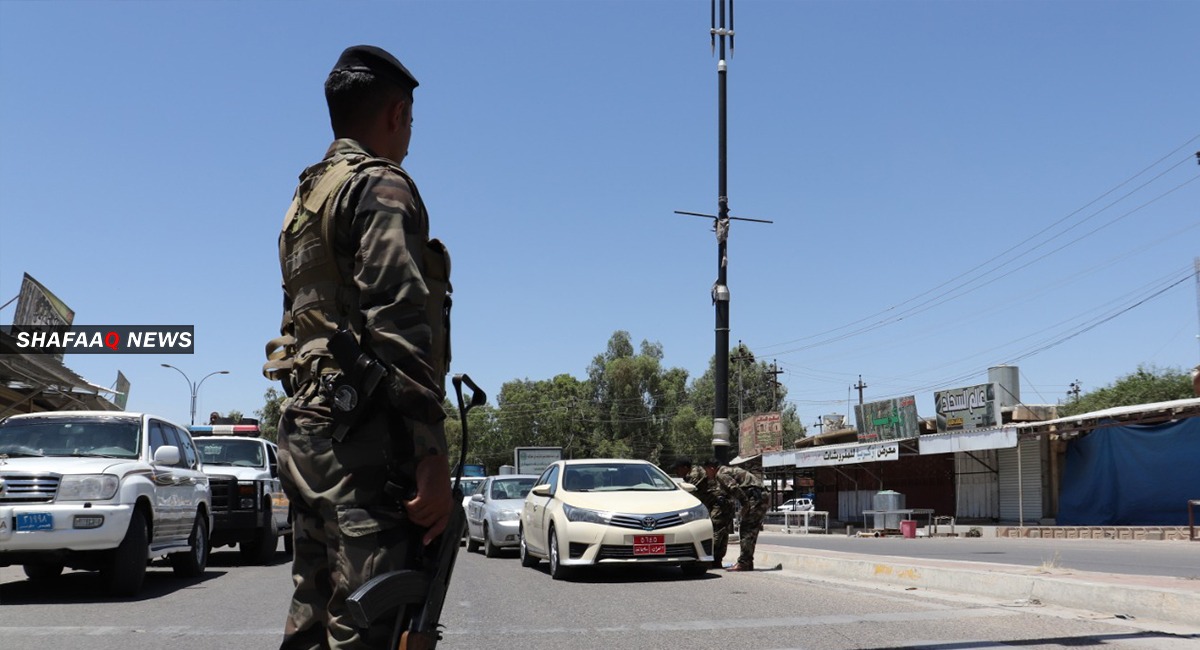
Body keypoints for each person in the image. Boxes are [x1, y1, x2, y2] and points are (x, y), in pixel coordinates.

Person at [264, 44, 452, 650]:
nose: (410, 138)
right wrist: (428, 451)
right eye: (411, 123)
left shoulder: (304, 202)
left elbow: (297, 324)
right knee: (377, 619)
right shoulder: (380, 185)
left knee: (314, 609)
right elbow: (398, 320)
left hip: (308, 430)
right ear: (396, 114)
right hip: (365, 438)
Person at [670, 457, 737, 569]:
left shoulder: (694, 474)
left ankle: (710, 559)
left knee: (715, 531)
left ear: (685, 468)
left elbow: (689, 494)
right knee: (721, 532)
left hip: (718, 503)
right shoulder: (693, 473)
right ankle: (716, 560)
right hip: (718, 503)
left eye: (678, 469)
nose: (676, 472)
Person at [712, 459, 768, 571]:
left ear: (711, 468)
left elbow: (733, 487)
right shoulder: (729, 470)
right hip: (761, 495)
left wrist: (745, 504)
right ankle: (747, 562)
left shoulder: (720, 474)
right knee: (751, 531)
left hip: (754, 497)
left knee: (746, 530)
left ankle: (744, 563)